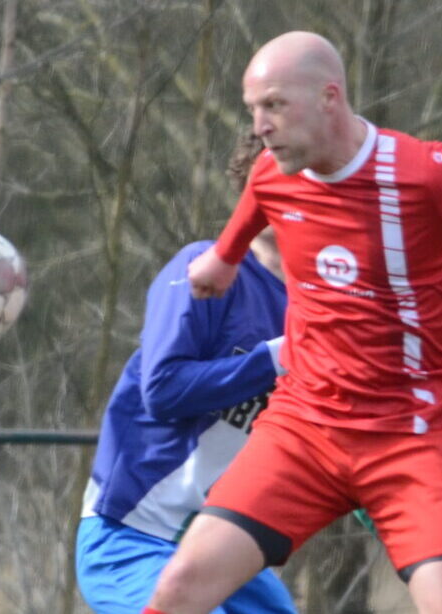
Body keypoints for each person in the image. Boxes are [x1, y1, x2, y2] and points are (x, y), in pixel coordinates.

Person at [146, 32, 442, 614]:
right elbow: (255, 204)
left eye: (274, 105)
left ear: (330, 97)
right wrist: (224, 260)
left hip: (415, 436)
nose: (260, 126)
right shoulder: (272, 174)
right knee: (179, 589)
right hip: (304, 430)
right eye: (253, 109)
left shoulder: (426, 173)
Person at [77, 135, 299, 614]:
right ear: (249, 191)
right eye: (272, 180)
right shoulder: (204, 270)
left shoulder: (322, 300)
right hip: (131, 535)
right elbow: (161, 390)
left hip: (222, 549)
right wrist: (274, 358)